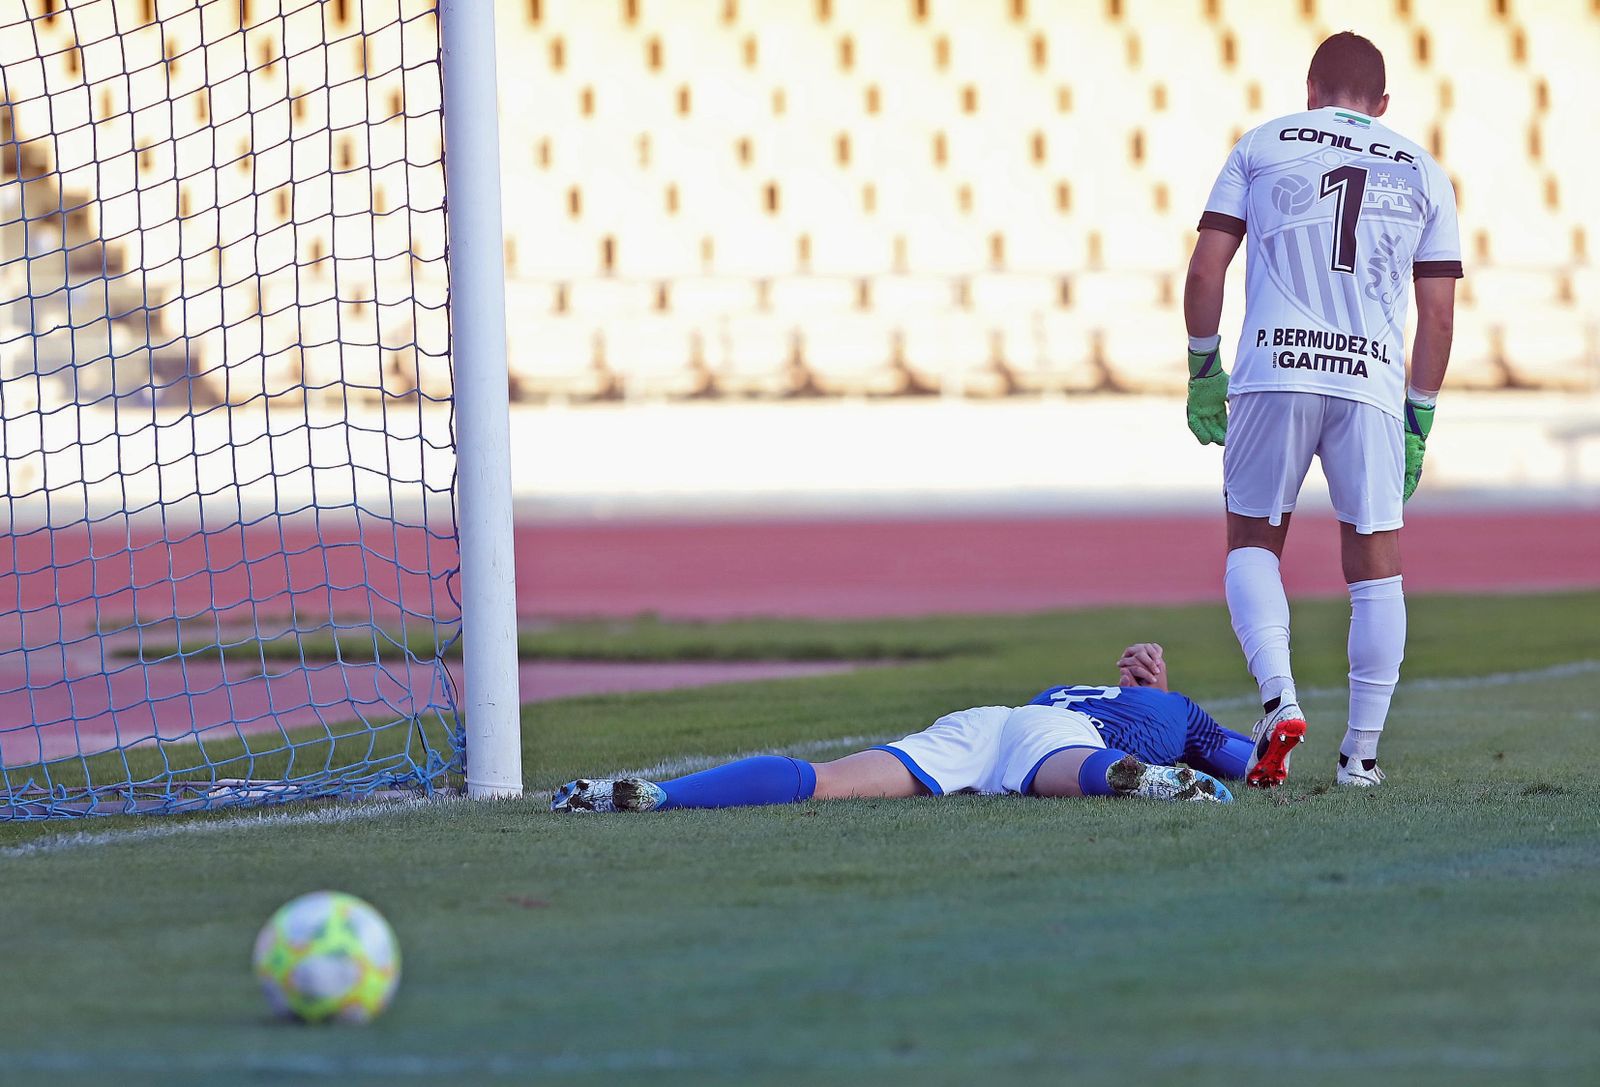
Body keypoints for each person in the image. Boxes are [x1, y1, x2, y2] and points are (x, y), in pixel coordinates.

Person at [1182, 31, 1461, 788]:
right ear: (1381, 105)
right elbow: (1437, 318)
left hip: (1273, 368)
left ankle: (1279, 698)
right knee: (1376, 568)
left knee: (1252, 542)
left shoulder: (1262, 143)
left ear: (1310, 91)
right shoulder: (1426, 171)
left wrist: (1204, 365)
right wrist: (1420, 416)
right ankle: (1361, 756)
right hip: (1369, 382)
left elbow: (1208, 264)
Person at [550, 642, 1255, 812]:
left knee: (824, 781)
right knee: (1069, 769)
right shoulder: (1175, 709)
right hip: (1048, 737)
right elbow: (1254, 760)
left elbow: (1047, 719)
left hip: (985, 721)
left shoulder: (1067, 689)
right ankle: (1142, 780)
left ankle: (660, 793)